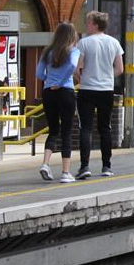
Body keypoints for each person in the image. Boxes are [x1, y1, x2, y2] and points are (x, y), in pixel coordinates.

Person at [74, 11, 124, 179]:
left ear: (95, 25)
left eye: (88, 22)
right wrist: (107, 77)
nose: (86, 25)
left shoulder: (84, 43)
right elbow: (120, 69)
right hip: (106, 90)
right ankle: (106, 166)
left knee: (85, 128)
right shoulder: (114, 43)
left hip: (87, 89)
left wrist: (81, 78)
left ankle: (84, 166)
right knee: (105, 128)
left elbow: (77, 68)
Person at [36, 22, 80, 183]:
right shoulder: (73, 51)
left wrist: (50, 80)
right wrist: (61, 82)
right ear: (71, 36)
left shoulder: (47, 51)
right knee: (67, 131)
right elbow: (73, 65)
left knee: (53, 130)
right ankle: (65, 172)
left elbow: (39, 74)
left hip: (48, 92)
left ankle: (45, 163)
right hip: (65, 91)